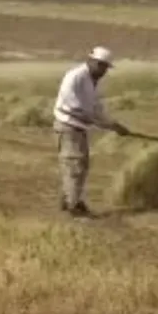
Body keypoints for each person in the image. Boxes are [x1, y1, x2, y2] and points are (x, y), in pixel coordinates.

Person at [51, 46, 131, 217]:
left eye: (105, 67)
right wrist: (96, 121)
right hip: (68, 126)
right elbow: (72, 107)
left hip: (78, 128)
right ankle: (73, 206)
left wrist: (113, 125)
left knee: (79, 165)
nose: (103, 70)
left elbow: (96, 108)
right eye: (100, 65)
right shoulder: (74, 77)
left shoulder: (92, 82)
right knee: (74, 165)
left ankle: (69, 199)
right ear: (90, 61)